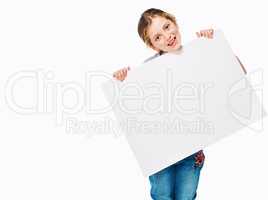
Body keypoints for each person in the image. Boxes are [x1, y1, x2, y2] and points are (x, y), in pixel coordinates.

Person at [113, 8, 247, 200]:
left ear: (174, 22)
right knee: (162, 196)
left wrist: (217, 48)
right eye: (158, 37)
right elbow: (135, 107)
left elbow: (238, 74)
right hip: (159, 156)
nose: (167, 36)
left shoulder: (200, 53)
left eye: (167, 27)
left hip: (191, 153)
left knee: (186, 196)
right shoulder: (148, 70)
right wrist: (121, 80)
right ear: (152, 45)